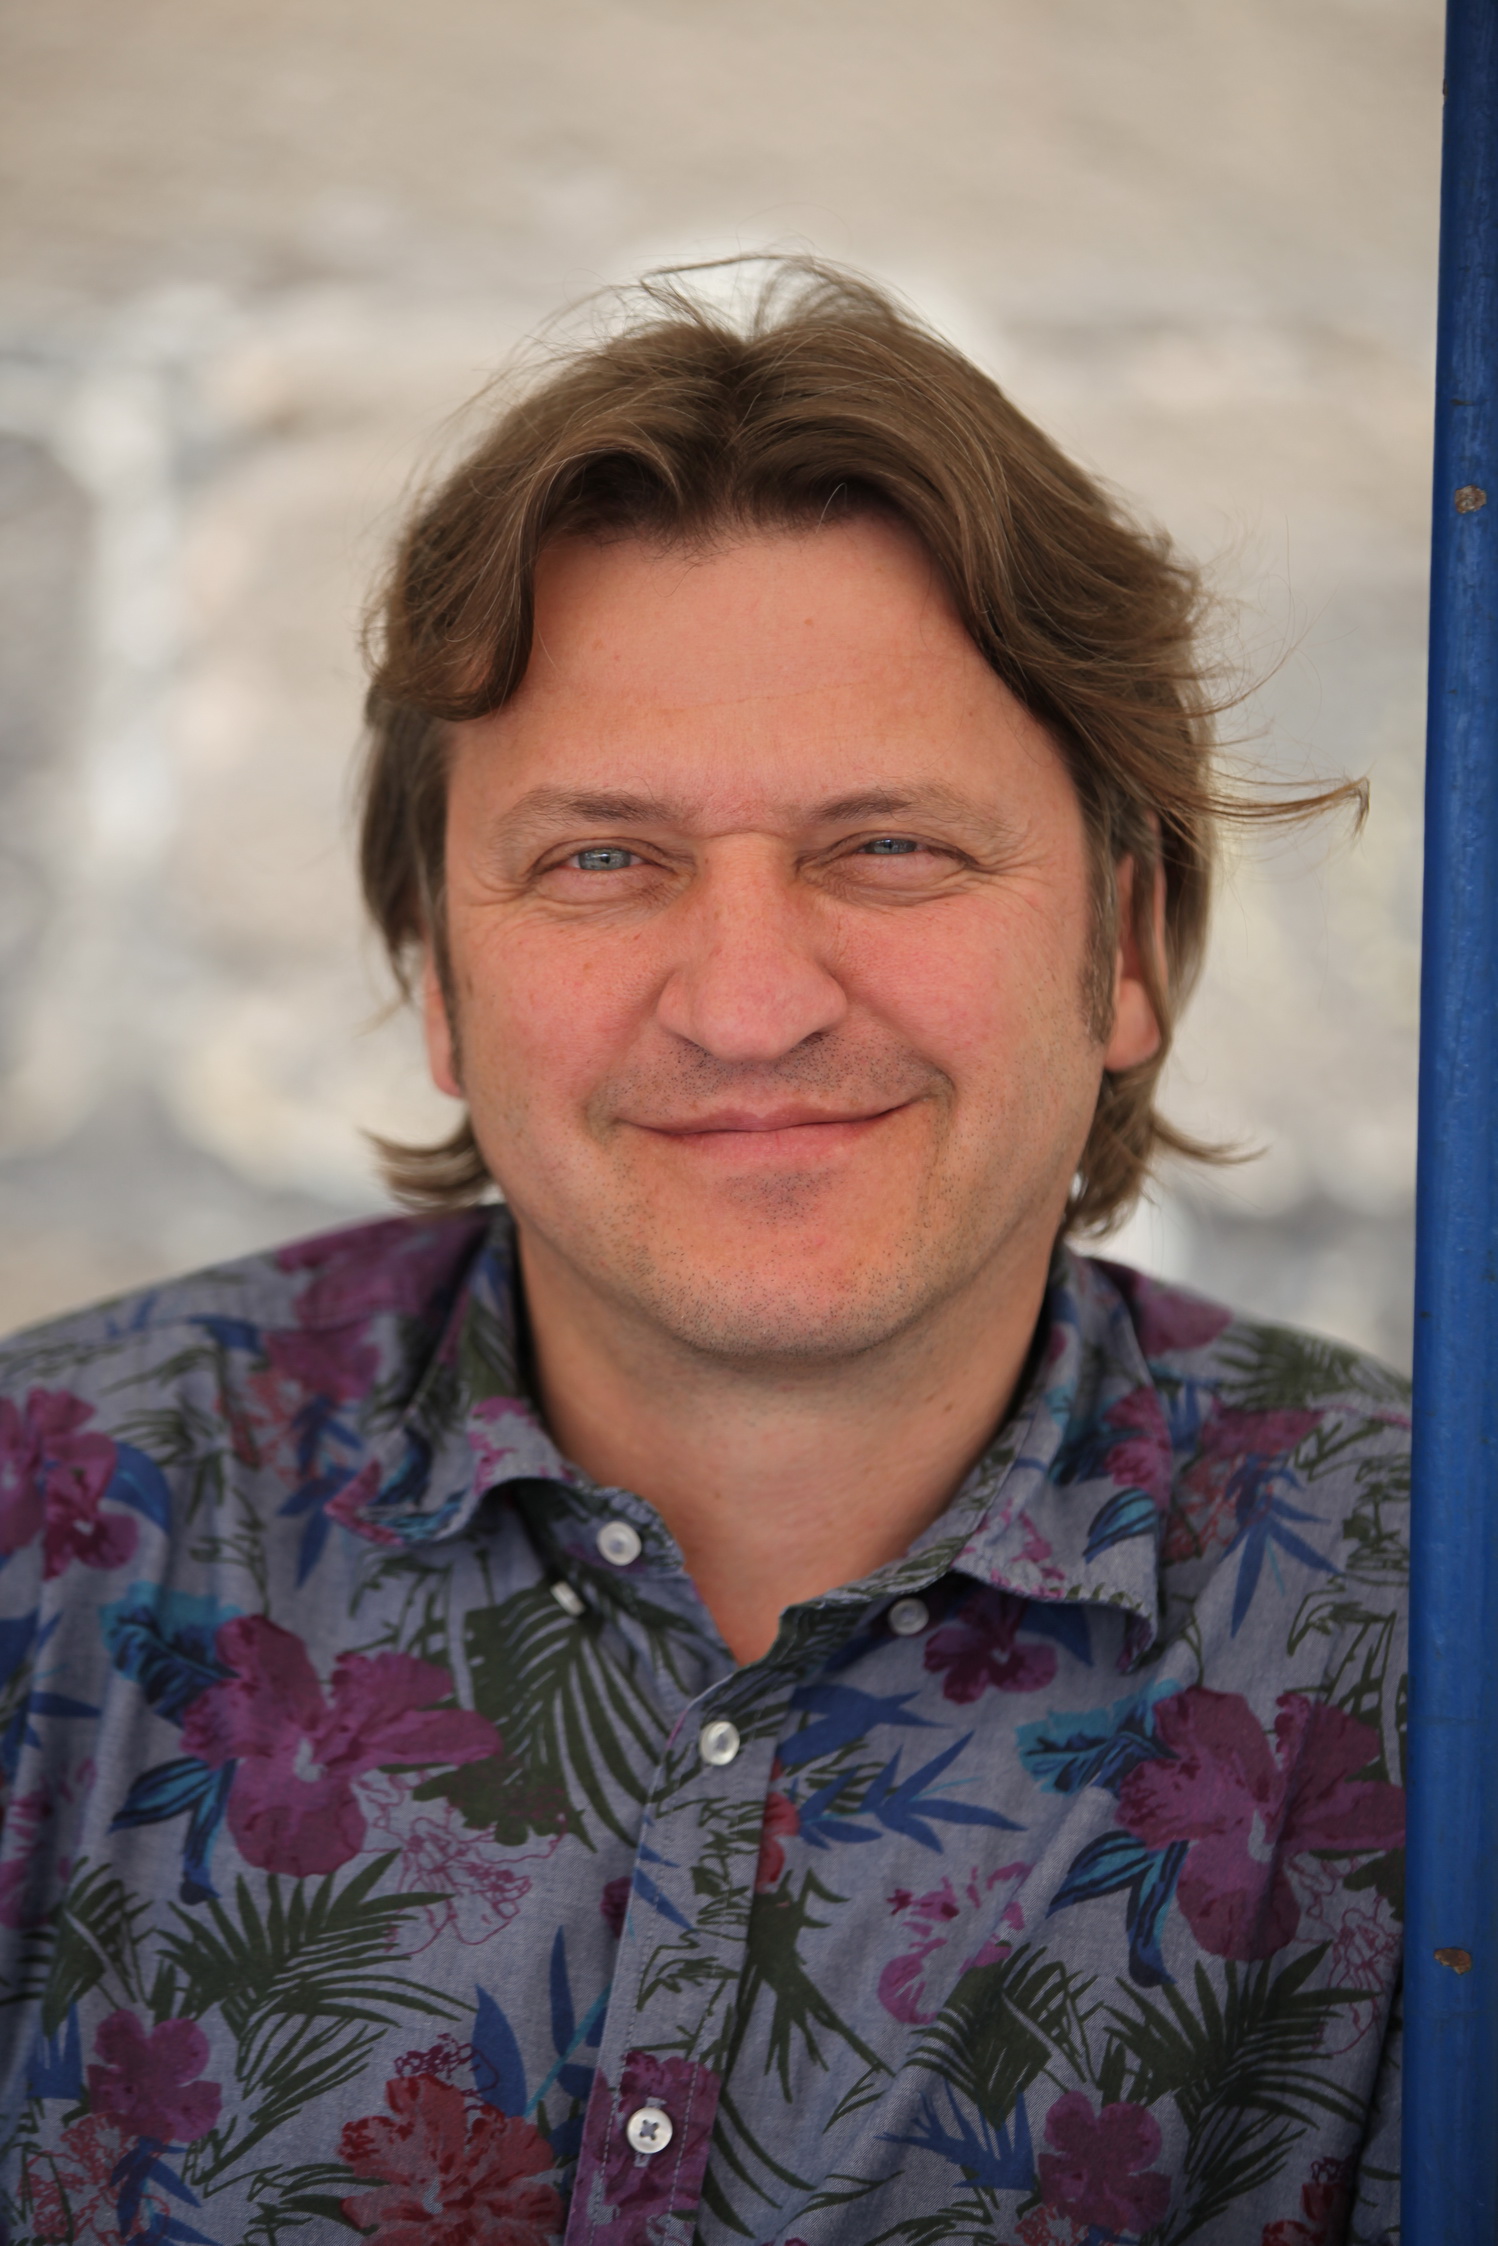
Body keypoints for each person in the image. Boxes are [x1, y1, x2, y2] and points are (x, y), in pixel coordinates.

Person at [0, 262, 1405, 2246]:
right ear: (438, 978)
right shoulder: (46, 1529)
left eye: (888, 845)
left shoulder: (1420, 1616)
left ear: (1126, 945)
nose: (748, 1005)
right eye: (602, 859)